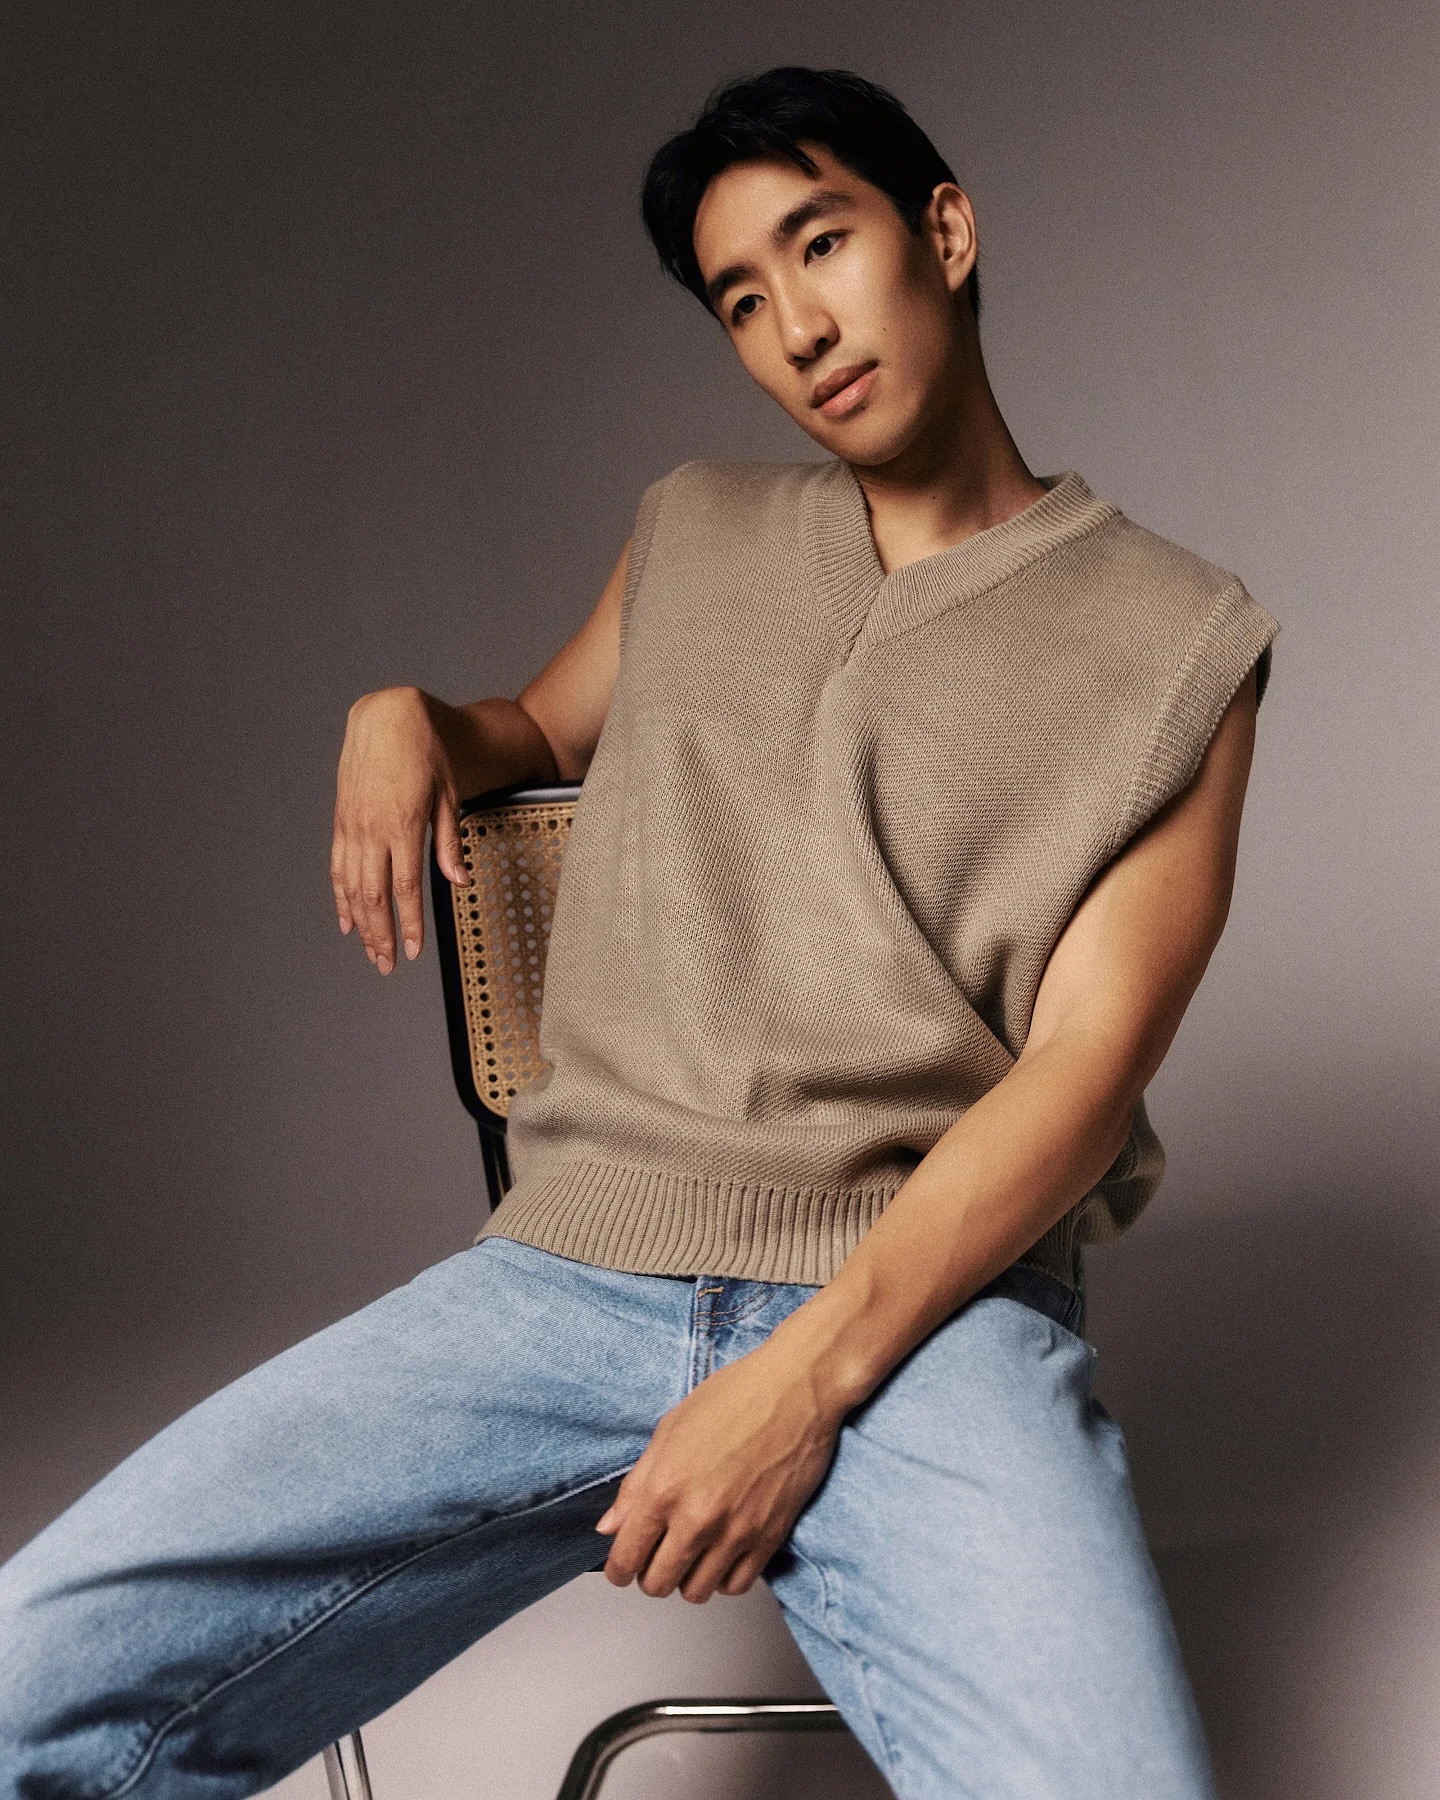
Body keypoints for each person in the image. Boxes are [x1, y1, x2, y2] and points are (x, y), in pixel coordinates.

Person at [0, 65, 1279, 1800]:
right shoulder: (697, 527)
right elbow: (532, 730)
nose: (797, 328)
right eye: (741, 299)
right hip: (569, 1282)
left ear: (946, 231)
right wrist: (405, 715)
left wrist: (806, 1381)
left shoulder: (1180, 637)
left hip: (932, 1315)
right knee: (27, 1686)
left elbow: (1085, 1067)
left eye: (820, 244)